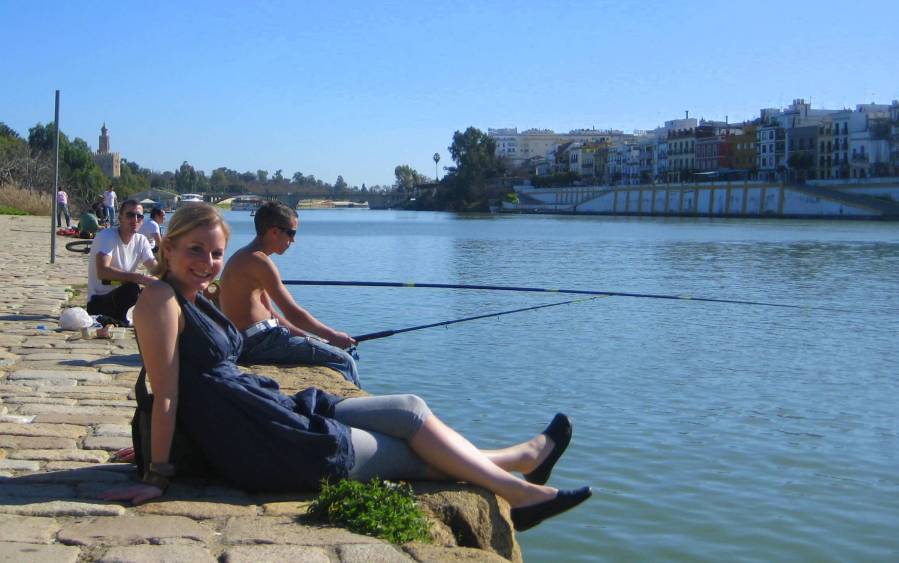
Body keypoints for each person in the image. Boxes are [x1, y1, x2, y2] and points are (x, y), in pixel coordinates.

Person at [101, 203, 591, 531]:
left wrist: (149, 438)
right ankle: (520, 489)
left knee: (410, 410)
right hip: (262, 441)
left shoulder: (191, 294)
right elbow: (164, 391)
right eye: (195, 251)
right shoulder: (160, 299)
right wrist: (157, 473)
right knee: (410, 453)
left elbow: (166, 383)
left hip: (262, 410)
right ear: (165, 247)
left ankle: (523, 462)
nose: (208, 262)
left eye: (214, 253)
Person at [219, 201, 359, 386]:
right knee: (344, 360)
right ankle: (352, 411)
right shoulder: (259, 262)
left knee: (326, 349)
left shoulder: (246, 257)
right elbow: (293, 313)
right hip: (259, 343)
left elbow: (272, 315)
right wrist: (333, 336)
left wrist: (312, 338)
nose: (293, 240)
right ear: (274, 231)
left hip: (259, 338)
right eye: (291, 233)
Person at [86, 200, 157, 324]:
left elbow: (155, 267)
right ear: (120, 218)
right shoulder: (107, 236)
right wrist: (139, 278)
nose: (135, 219)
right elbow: (102, 271)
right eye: (130, 215)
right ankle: (122, 320)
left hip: (120, 296)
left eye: (139, 216)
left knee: (156, 289)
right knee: (132, 288)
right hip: (98, 301)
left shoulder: (141, 240)